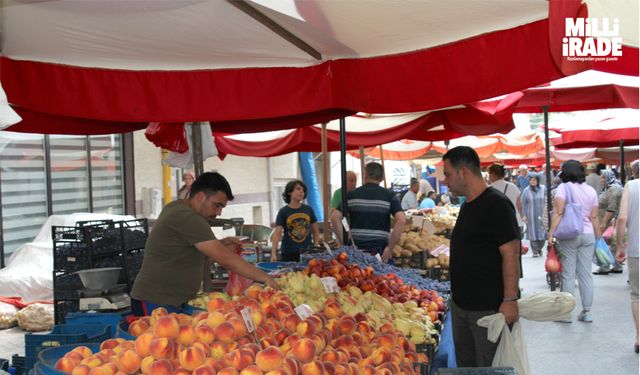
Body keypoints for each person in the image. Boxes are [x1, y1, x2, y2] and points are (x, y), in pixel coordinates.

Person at [131, 172, 278, 315]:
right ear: (200, 197)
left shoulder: (177, 207)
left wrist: (219, 244)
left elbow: (184, 248)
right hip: (155, 302)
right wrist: (264, 277)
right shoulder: (187, 217)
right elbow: (225, 259)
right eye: (217, 205)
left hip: (169, 301)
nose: (219, 212)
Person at [444, 146, 520, 367]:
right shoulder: (467, 205)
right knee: (467, 368)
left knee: (489, 367)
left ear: (463, 172)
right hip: (462, 306)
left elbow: (511, 254)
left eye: (448, 174)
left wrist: (510, 300)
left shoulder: (497, 204)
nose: (446, 180)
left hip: (488, 309)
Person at [547, 160, 600, 323]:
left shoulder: (563, 188)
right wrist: (598, 235)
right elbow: (594, 216)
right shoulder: (591, 190)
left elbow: (558, 212)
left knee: (568, 274)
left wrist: (551, 233)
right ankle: (587, 312)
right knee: (585, 275)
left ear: (565, 172)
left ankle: (565, 313)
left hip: (569, 235)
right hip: (588, 234)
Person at [330, 162, 406, 263]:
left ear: (365, 176)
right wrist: (389, 248)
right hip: (380, 252)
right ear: (382, 178)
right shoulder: (390, 196)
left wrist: (345, 243)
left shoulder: (351, 195)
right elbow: (401, 220)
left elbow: (334, 218)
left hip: (355, 252)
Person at [616, 160, 639, 353]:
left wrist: (620, 246)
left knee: (637, 295)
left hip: (637, 250)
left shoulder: (631, 186)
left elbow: (622, 217)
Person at [271, 179, 320, 262]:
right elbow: (277, 234)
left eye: (303, 190)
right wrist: (273, 253)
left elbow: (315, 231)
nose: (301, 192)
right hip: (288, 253)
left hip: (307, 253)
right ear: (289, 192)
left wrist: (315, 247)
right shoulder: (283, 211)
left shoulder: (308, 209)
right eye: (298, 189)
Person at [593, 169, 624, 275]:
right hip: (606, 221)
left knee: (606, 244)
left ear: (608, 177)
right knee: (608, 244)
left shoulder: (614, 189)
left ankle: (606, 266)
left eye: (602, 177)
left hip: (609, 222)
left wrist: (603, 223)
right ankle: (613, 265)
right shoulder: (608, 188)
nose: (601, 179)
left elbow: (612, 208)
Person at [488, 164, 524, 237]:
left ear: (493, 174)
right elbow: (519, 207)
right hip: (515, 223)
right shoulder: (513, 187)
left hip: (497, 225)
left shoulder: (488, 189)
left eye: (489, 173)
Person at [521, 175, 547, 257]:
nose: (532, 182)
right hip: (531, 215)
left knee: (543, 232)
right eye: (531, 180)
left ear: (538, 181)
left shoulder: (543, 188)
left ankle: (539, 248)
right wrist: (523, 215)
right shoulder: (526, 190)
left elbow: (547, 200)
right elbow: (523, 204)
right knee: (532, 233)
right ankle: (535, 251)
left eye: (534, 180)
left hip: (543, 214)